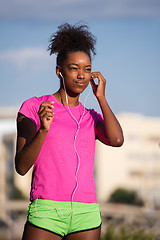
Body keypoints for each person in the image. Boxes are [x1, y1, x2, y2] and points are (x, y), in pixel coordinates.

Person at [15, 23, 124, 240]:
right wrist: (43, 130)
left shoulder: (90, 116)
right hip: (46, 212)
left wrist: (100, 97)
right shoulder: (34, 107)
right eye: (74, 68)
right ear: (59, 71)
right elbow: (21, 166)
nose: (82, 75)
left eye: (87, 69)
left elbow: (117, 139)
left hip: (86, 214)